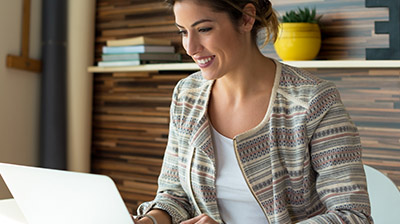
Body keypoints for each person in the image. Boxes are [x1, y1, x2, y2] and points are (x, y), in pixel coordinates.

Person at [134, 0, 373, 223]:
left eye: (204, 29)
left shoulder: (313, 101)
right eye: (183, 31)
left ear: (247, 19)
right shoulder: (187, 94)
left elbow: (352, 215)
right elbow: (174, 194)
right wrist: (152, 219)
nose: (190, 47)